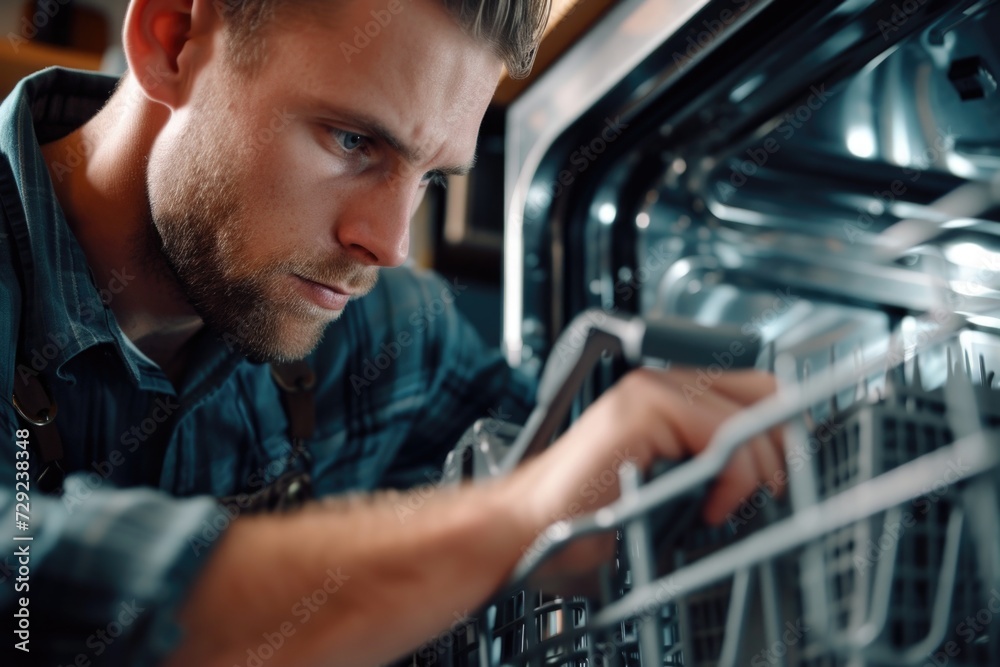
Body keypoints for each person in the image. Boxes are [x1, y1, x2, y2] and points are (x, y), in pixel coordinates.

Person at [0, 0, 785, 665]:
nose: (389, 243)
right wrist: (505, 524)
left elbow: (570, 464)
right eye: (353, 141)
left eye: (432, 178)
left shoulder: (391, 334)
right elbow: (39, 579)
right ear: (172, 40)